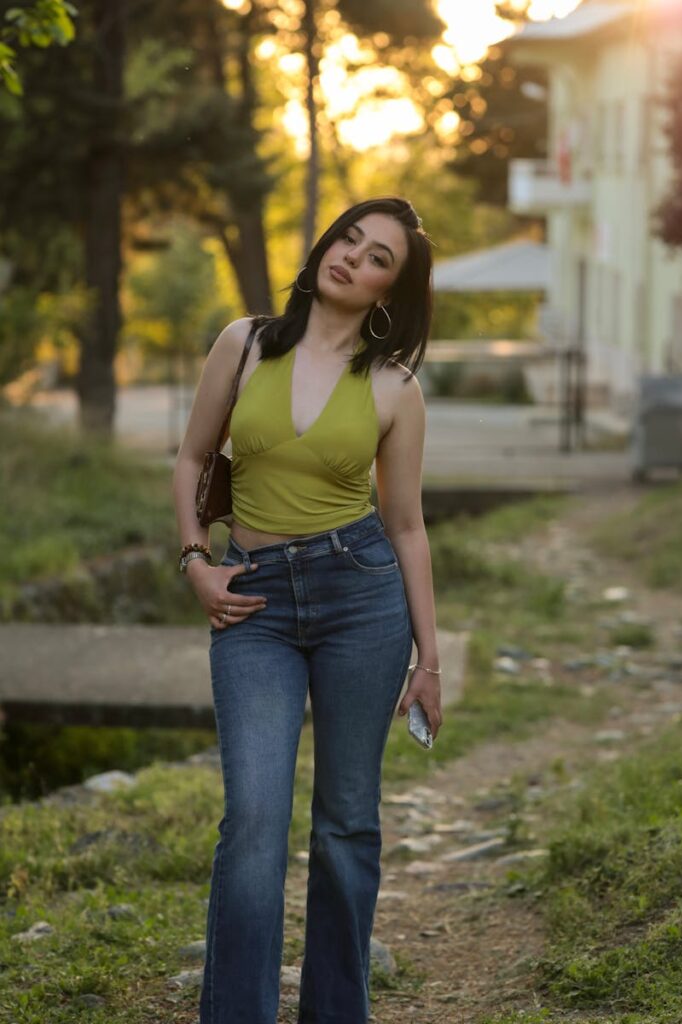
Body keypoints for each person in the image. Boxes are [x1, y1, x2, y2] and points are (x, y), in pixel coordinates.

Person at [172, 195, 443, 1024]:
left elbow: (405, 525)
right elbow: (189, 460)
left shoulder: (395, 389)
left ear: (388, 293)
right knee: (253, 818)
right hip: (251, 598)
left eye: (375, 258)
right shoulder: (244, 342)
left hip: (359, 596)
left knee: (345, 824)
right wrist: (194, 561)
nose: (350, 258)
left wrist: (428, 661)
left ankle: (335, 1011)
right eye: (347, 239)